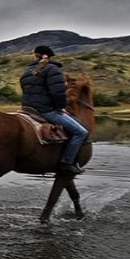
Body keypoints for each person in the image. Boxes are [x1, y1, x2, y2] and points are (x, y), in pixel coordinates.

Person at [20, 45, 88, 175]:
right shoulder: (52, 69)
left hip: (27, 108)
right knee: (81, 132)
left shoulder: (27, 71)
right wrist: (60, 107)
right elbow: (57, 92)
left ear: (36, 55)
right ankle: (66, 163)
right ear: (48, 56)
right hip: (45, 110)